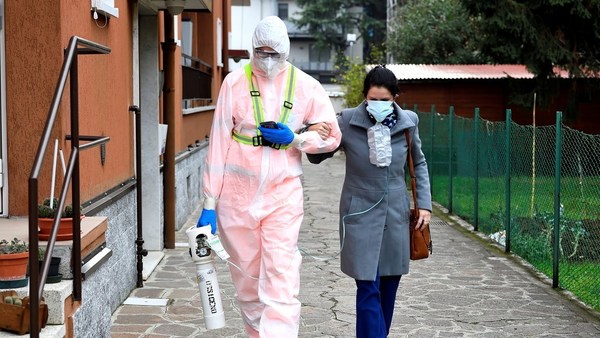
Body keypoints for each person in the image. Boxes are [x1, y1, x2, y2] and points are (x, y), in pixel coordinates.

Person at [196, 16, 341, 337]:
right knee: (247, 282)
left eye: (275, 53)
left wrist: (298, 140)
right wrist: (209, 201)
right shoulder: (234, 83)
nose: (268, 59)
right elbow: (219, 142)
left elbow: (332, 136)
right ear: (252, 49)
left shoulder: (306, 86)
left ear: (287, 51)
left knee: (281, 276)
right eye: (261, 52)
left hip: (282, 197)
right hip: (236, 197)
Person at [307, 65, 432, 337]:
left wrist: (424, 204)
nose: (378, 105)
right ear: (365, 96)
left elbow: (419, 163)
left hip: (395, 215)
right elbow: (316, 156)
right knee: (367, 287)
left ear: (395, 98)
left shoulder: (409, 122)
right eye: (372, 99)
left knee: (388, 289)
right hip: (359, 214)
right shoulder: (347, 120)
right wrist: (314, 132)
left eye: (384, 100)